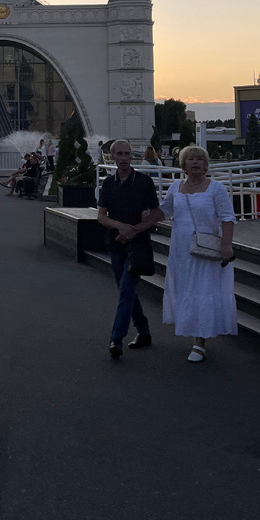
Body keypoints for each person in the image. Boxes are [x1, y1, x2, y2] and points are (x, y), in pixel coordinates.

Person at [156, 144, 236, 363]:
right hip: (181, 249)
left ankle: (200, 342)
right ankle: (193, 331)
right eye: (190, 159)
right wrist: (143, 216)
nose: (194, 163)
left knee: (202, 290)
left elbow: (227, 217)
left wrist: (226, 245)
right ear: (183, 165)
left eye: (199, 159)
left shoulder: (216, 188)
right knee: (186, 290)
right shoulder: (175, 187)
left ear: (205, 165)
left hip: (205, 248)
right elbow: (165, 210)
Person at [96, 138, 163, 359]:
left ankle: (116, 339)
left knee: (125, 292)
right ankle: (143, 331)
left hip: (137, 246)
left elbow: (156, 214)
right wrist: (120, 226)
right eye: (119, 154)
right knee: (127, 292)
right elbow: (101, 216)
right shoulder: (108, 183)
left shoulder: (144, 182)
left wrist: (133, 230)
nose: (124, 158)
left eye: (127, 154)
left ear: (132, 156)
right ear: (112, 157)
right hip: (115, 245)